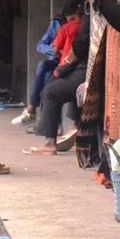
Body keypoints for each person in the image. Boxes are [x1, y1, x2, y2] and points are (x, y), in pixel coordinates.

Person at [23, 13, 90, 155]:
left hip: (86, 70)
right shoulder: (86, 20)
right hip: (82, 67)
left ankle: (49, 143)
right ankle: (73, 127)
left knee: (50, 92)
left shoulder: (85, 21)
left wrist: (62, 69)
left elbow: (77, 48)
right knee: (50, 78)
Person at [11, 0, 84, 125]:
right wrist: (56, 51)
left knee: (49, 81)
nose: (71, 22)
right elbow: (41, 45)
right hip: (60, 60)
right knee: (43, 67)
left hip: (75, 63)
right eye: (69, 19)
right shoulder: (58, 24)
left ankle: (46, 121)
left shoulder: (83, 25)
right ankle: (34, 111)